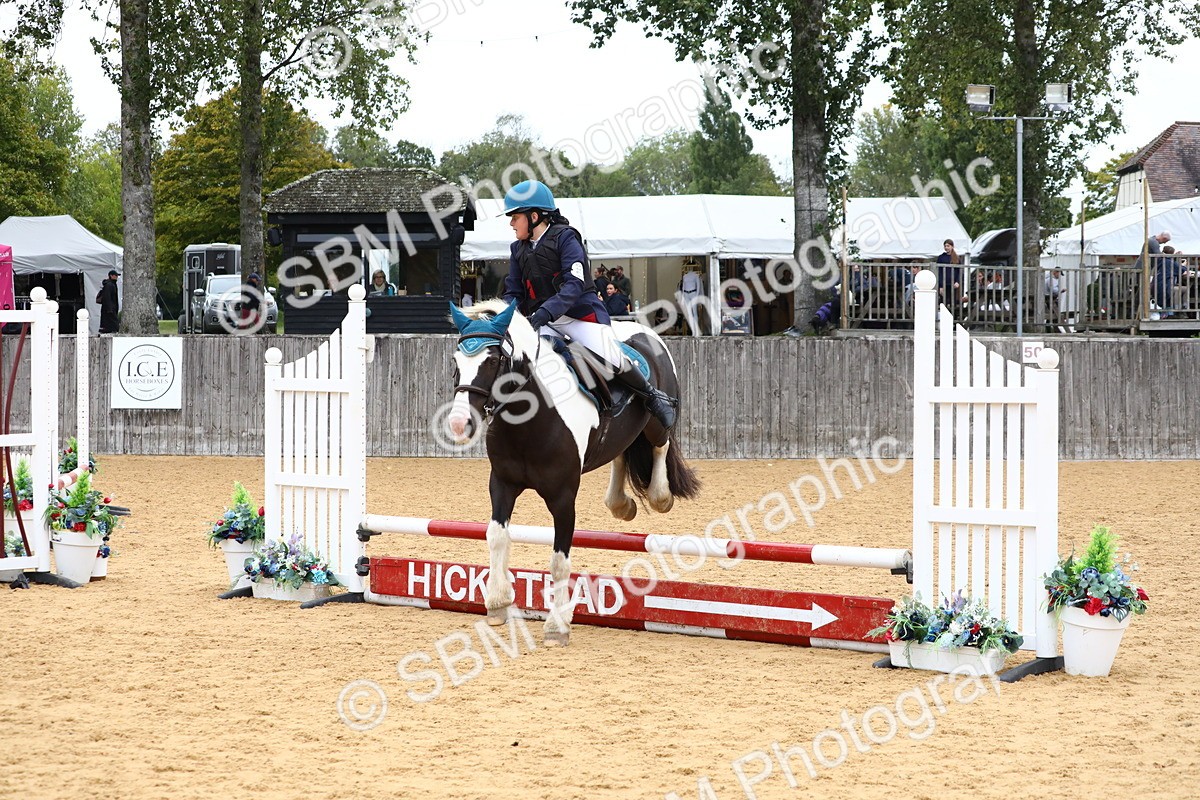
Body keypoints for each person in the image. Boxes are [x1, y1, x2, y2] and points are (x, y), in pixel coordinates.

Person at [501, 179, 676, 430]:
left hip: (579, 316)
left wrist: (544, 313)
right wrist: (510, 316)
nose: (511, 223)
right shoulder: (517, 249)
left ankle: (653, 397)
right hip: (544, 321)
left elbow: (574, 285)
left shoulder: (566, 238)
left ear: (535, 216)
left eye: (515, 217)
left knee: (611, 355)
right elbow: (513, 291)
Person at [935, 239, 962, 304]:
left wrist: (957, 281)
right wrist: (941, 286)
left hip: (953, 284)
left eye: (948, 246)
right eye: (945, 246)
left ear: (952, 246)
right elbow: (939, 272)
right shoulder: (941, 257)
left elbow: (959, 271)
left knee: (953, 302)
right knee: (943, 302)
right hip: (944, 283)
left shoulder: (957, 258)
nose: (946, 247)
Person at [96, 269, 120, 333]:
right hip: (109, 308)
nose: (116, 277)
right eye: (115, 275)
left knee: (110, 322)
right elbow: (107, 297)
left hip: (111, 307)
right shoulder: (109, 285)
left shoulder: (112, 284)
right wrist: (110, 308)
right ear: (111, 276)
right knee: (112, 322)